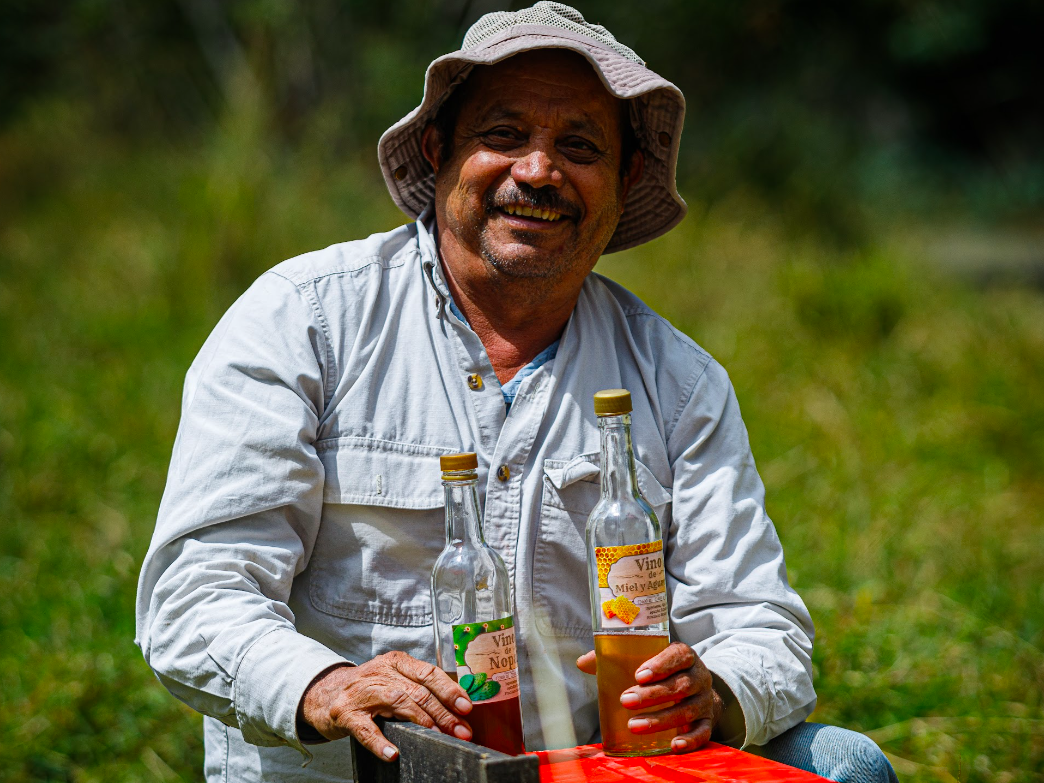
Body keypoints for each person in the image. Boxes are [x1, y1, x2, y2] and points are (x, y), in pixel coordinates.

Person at [135, 4, 897, 782]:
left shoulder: (678, 381)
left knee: (846, 765)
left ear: (627, 177)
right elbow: (197, 596)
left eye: (580, 147)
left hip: (588, 770)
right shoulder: (306, 320)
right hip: (358, 772)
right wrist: (328, 687)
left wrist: (715, 691)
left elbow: (760, 625)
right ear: (438, 150)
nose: (537, 171)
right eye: (503, 135)